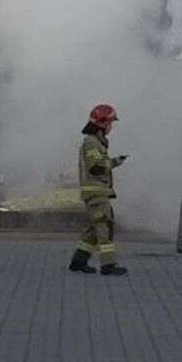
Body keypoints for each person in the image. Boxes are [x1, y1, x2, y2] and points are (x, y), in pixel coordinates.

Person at [69, 103, 128, 276]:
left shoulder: (95, 142)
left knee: (94, 229)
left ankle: (78, 261)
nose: (111, 127)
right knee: (104, 228)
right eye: (110, 123)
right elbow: (96, 167)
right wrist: (115, 162)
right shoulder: (91, 143)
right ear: (102, 124)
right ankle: (108, 265)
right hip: (96, 193)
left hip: (97, 193)